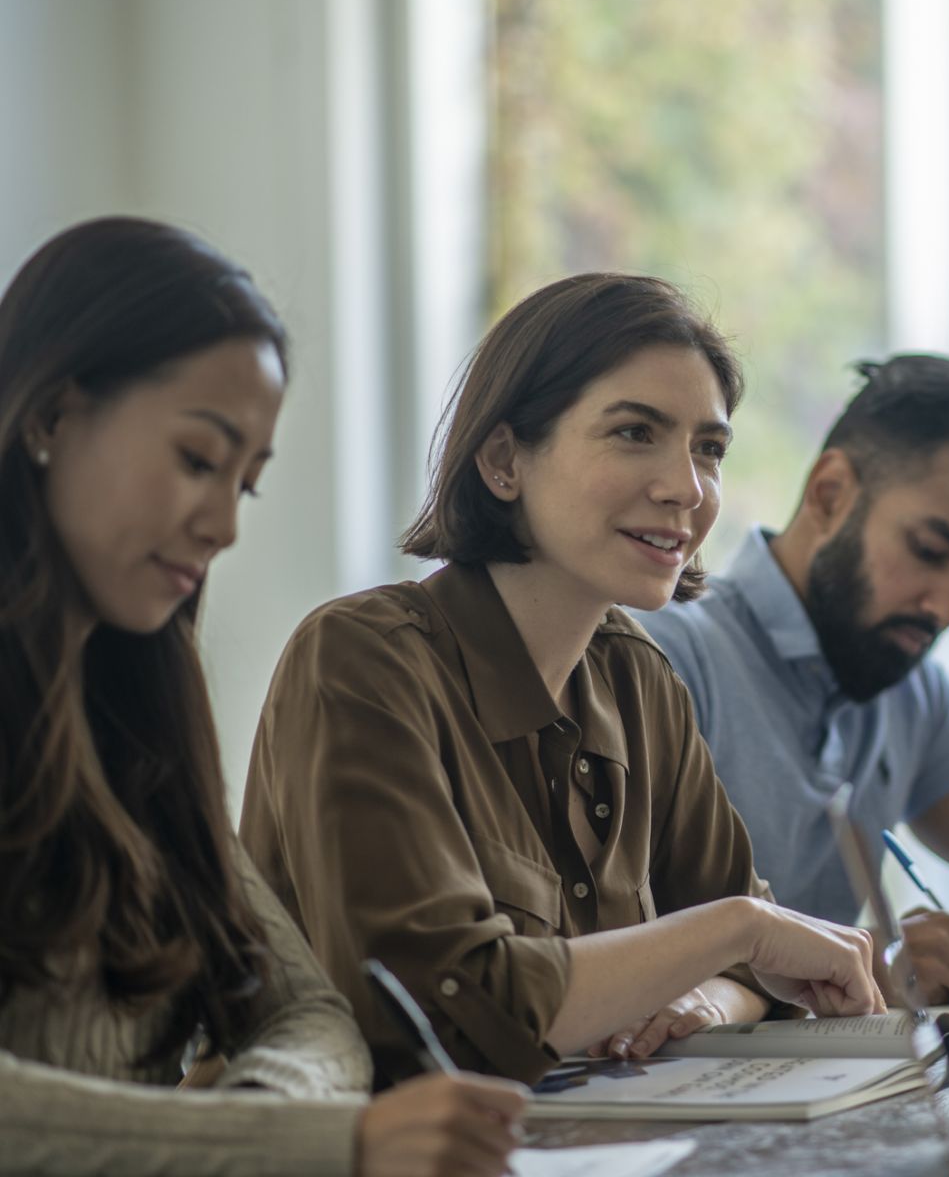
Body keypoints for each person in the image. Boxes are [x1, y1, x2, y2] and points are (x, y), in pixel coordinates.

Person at [242, 274, 884, 1085]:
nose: (685, 487)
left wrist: (708, 999)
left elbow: (765, 968)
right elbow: (435, 1021)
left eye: (708, 449)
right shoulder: (358, 661)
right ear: (505, 460)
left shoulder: (638, 677)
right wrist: (735, 934)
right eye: (633, 433)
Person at [0, 217, 526, 1175]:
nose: (222, 528)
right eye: (199, 460)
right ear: (49, 417)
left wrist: (256, 1124)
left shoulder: (139, 715)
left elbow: (309, 1015)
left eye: (246, 483)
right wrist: (297, 1143)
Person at [643, 355, 949, 1003]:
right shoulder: (661, 654)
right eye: (930, 552)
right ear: (830, 494)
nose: (948, 608)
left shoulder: (905, 684)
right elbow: (602, 946)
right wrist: (859, 968)